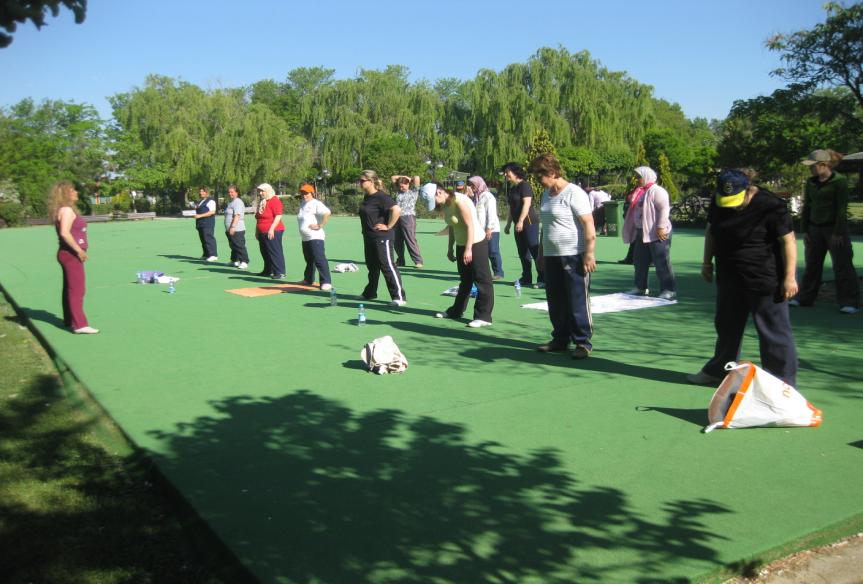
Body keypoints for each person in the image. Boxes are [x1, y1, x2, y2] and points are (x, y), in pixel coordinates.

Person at [688, 169, 799, 387]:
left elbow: (788, 241)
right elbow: (712, 231)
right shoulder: (718, 202)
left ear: (748, 189)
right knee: (727, 327)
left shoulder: (771, 205)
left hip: (765, 278)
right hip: (729, 276)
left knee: (773, 332)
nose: (730, 205)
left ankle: (782, 384)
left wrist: (790, 278)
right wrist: (706, 262)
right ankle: (718, 372)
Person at [528, 154, 596, 359]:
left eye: (540, 175)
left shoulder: (575, 193)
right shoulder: (546, 195)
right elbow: (545, 227)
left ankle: (583, 343)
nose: (538, 180)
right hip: (551, 255)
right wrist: (541, 253)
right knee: (555, 300)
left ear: (553, 172)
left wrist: (589, 254)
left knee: (576, 300)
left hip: (574, 255)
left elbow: (588, 225)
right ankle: (560, 339)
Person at [790, 149, 860, 314]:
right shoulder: (811, 182)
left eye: (812, 166)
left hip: (834, 230)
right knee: (812, 266)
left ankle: (849, 302)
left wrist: (837, 232)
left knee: (843, 266)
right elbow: (807, 206)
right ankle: (805, 298)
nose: (810, 169)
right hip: (814, 230)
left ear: (823, 165)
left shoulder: (840, 182)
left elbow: (841, 209)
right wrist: (805, 230)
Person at [420, 182, 494, 327]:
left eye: (433, 201)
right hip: (462, 244)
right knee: (465, 280)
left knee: (482, 281)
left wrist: (468, 249)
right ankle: (456, 311)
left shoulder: (459, 201)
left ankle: (483, 317)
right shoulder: (446, 205)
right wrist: (450, 248)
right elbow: (452, 226)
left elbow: (470, 226)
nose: (434, 205)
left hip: (476, 243)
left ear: (439, 192)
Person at [49, 181, 98, 334]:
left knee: (69, 288)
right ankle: (80, 324)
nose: (76, 192)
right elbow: (65, 232)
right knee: (77, 289)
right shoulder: (67, 210)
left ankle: (69, 320)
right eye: (73, 191)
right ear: (66, 194)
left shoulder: (63, 210)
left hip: (66, 253)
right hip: (70, 253)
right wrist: (79, 251)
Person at [621, 166, 677, 299]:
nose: (637, 179)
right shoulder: (640, 191)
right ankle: (640, 287)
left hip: (658, 232)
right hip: (642, 232)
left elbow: (664, 209)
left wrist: (661, 227)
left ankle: (669, 289)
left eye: (639, 177)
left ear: (647, 176)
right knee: (639, 261)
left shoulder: (657, 191)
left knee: (661, 261)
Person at [358, 170, 406, 306]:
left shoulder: (381, 197)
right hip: (369, 237)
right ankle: (370, 293)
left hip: (382, 237)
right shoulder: (367, 197)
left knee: (387, 265)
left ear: (371, 181)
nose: (360, 183)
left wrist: (388, 226)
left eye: (362, 181)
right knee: (372, 266)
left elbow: (396, 209)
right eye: (359, 180)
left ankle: (399, 297)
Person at [502, 162, 544, 288]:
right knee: (522, 252)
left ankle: (543, 278)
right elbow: (512, 208)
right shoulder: (513, 188)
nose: (505, 175)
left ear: (515, 173)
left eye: (507, 172)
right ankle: (526, 277)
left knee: (534, 249)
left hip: (529, 222)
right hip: (517, 224)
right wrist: (509, 224)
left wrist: (520, 221)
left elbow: (526, 204)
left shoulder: (525, 186)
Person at [296, 183, 332, 291]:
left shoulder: (316, 203)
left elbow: (327, 213)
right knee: (309, 260)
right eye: (302, 193)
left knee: (319, 259)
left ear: (312, 193)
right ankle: (308, 279)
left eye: (306, 193)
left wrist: (320, 225)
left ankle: (326, 282)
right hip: (305, 238)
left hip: (315, 236)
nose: (304, 195)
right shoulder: (302, 204)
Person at [469, 175, 504, 280]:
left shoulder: (487, 196)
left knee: (493, 251)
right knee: (482, 252)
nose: (471, 186)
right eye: (470, 184)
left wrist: (489, 228)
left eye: (473, 184)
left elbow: (491, 213)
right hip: (479, 230)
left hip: (491, 229)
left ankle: (498, 272)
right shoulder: (476, 197)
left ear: (479, 184)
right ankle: (482, 272)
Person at [391, 175, 424, 268]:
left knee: (410, 239)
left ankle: (418, 261)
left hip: (408, 217)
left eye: (404, 185)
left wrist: (408, 178)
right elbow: (393, 177)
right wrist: (401, 179)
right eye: (400, 186)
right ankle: (400, 260)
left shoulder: (414, 191)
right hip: (396, 218)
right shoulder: (397, 192)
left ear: (408, 184)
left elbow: (417, 178)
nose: (402, 188)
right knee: (397, 241)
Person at [254, 183, 286, 279]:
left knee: (275, 251)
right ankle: (268, 270)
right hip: (262, 231)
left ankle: (280, 272)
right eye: (259, 191)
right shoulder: (262, 202)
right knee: (265, 251)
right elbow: (259, 218)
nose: (260, 193)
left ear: (268, 190)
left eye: (262, 191)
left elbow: (278, 215)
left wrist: (271, 229)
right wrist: (257, 231)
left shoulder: (274, 200)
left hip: (273, 230)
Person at [224, 185, 249, 270]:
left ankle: (244, 261)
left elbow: (237, 215)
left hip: (237, 229)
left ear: (237, 192)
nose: (230, 193)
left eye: (232, 192)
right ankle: (234, 260)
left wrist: (233, 226)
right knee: (233, 245)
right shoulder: (231, 202)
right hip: (229, 228)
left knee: (239, 245)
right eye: (229, 192)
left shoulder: (238, 202)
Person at [194, 186, 218, 261]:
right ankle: (206, 254)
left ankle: (213, 255)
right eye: (200, 191)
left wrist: (200, 215)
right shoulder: (201, 201)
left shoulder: (211, 201)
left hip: (208, 223)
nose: (200, 193)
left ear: (206, 192)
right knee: (203, 239)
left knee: (208, 238)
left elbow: (212, 212)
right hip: (200, 223)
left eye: (202, 191)